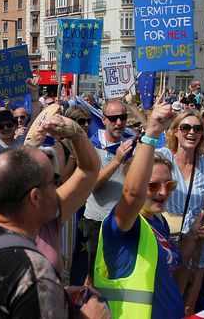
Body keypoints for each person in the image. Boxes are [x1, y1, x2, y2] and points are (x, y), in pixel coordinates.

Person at [0, 113, 105, 317]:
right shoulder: (17, 260)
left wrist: (76, 133)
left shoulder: (41, 218)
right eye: (52, 180)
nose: (58, 185)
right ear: (35, 197)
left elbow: (88, 170)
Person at [93, 103, 204, 318]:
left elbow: (175, 271)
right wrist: (151, 133)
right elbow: (132, 194)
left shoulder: (159, 222)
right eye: (153, 185)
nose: (163, 192)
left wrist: (191, 238)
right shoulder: (122, 224)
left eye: (170, 185)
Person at [157, 109, 204, 314]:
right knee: (165, 298)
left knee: (188, 305)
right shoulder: (163, 157)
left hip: (198, 242)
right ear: (175, 132)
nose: (191, 132)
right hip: (167, 238)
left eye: (197, 128)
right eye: (185, 127)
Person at [83, 99, 135, 282]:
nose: (119, 122)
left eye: (123, 117)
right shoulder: (91, 146)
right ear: (103, 119)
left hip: (124, 222)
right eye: (113, 118)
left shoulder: (131, 147)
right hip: (98, 222)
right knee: (94, 277)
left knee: (120, 277)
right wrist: (116, 161)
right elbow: (90, 185)